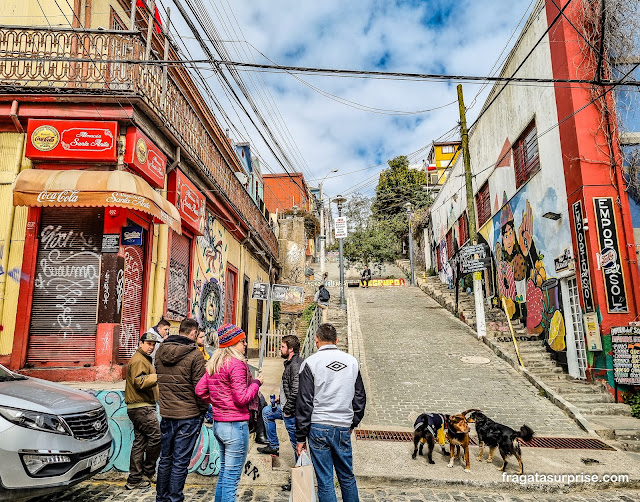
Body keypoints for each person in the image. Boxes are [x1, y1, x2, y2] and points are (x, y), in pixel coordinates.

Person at [296, 323, 366, 502]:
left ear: (317, 340)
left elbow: (304, 403)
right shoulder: (351, 362)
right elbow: (360, 398)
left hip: (319, 426)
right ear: (337, 340)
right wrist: (352, 423)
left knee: (325, 481)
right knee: (347, 477)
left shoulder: (310, 363)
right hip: (342, 426)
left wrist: (300, 437)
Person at [195, 324, 264, 502]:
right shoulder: (237, 364)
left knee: (225, 473)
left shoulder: (215, 362)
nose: (246, 344)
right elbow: (241, 398)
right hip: (235, 425)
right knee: (232, 480)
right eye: (242, 341)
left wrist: (219, 402)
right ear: (233, 343)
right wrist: (256, 383)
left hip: (219, 424)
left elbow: (200, 390)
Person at [155, 318, 208, 502]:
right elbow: (200, 389)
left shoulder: (160, 350)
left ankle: (161, 498)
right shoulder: (195, 354)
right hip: (188, 415)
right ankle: (175, 498)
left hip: (167, 413)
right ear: (194, 333)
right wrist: (203, 410)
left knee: (165, 459)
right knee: (180, 462)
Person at [257, 335, 303, 472]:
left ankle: (300, 477)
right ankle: (274, 446)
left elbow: (296, 390)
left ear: (291, 349)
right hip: (284, 406)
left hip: (292, 412)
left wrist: (287, 410)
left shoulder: (295, 365)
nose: (280, 349)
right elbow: (289, 389)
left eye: (283, 347)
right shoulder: (289, 363)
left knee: (297, 446)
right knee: (267, 412)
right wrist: (280, 398)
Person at [124, 330, 162, 490]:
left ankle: (134, 480)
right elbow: (140, 381)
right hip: (142, 407)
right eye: (148, 344)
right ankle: (148, 472)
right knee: (156, 437)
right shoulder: (139, 360)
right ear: (141, 343)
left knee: (140, 442)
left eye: (153, 345)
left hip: (139, 407)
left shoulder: (144, 359)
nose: (151, 347)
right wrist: (158, 377)